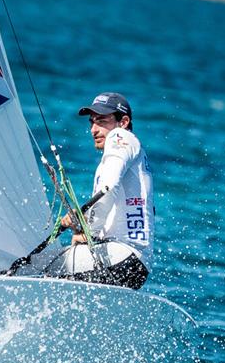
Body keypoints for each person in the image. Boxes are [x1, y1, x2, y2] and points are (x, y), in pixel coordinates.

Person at [50, 92, 154, 289]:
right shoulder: (135, 155)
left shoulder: (121, 136)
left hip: (121, 256)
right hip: (135, 266)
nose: (93, 129)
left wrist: (89, 230)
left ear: (123, 122)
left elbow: (109, 186)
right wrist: (80, 226)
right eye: (91, 122)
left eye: (102, 121)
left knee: (35, 265)